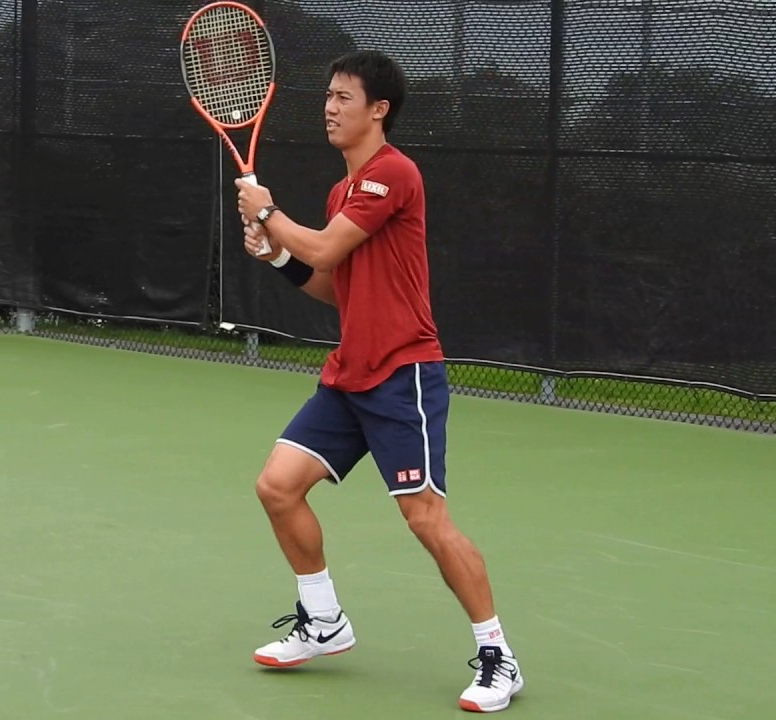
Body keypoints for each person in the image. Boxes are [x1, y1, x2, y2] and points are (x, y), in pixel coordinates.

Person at [233, 49, 525, 713]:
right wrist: (277, 256)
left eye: (344, 97)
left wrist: (269, 213)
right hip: (349, 375)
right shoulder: (341, 194)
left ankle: (497, 658)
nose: (330, 108)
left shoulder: (393, 173)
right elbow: (334, 285)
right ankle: (323, 621)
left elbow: (324, 246)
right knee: (277, 487)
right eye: (327, 96)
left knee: (425, 519)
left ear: (378, 109)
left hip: (402, 374)